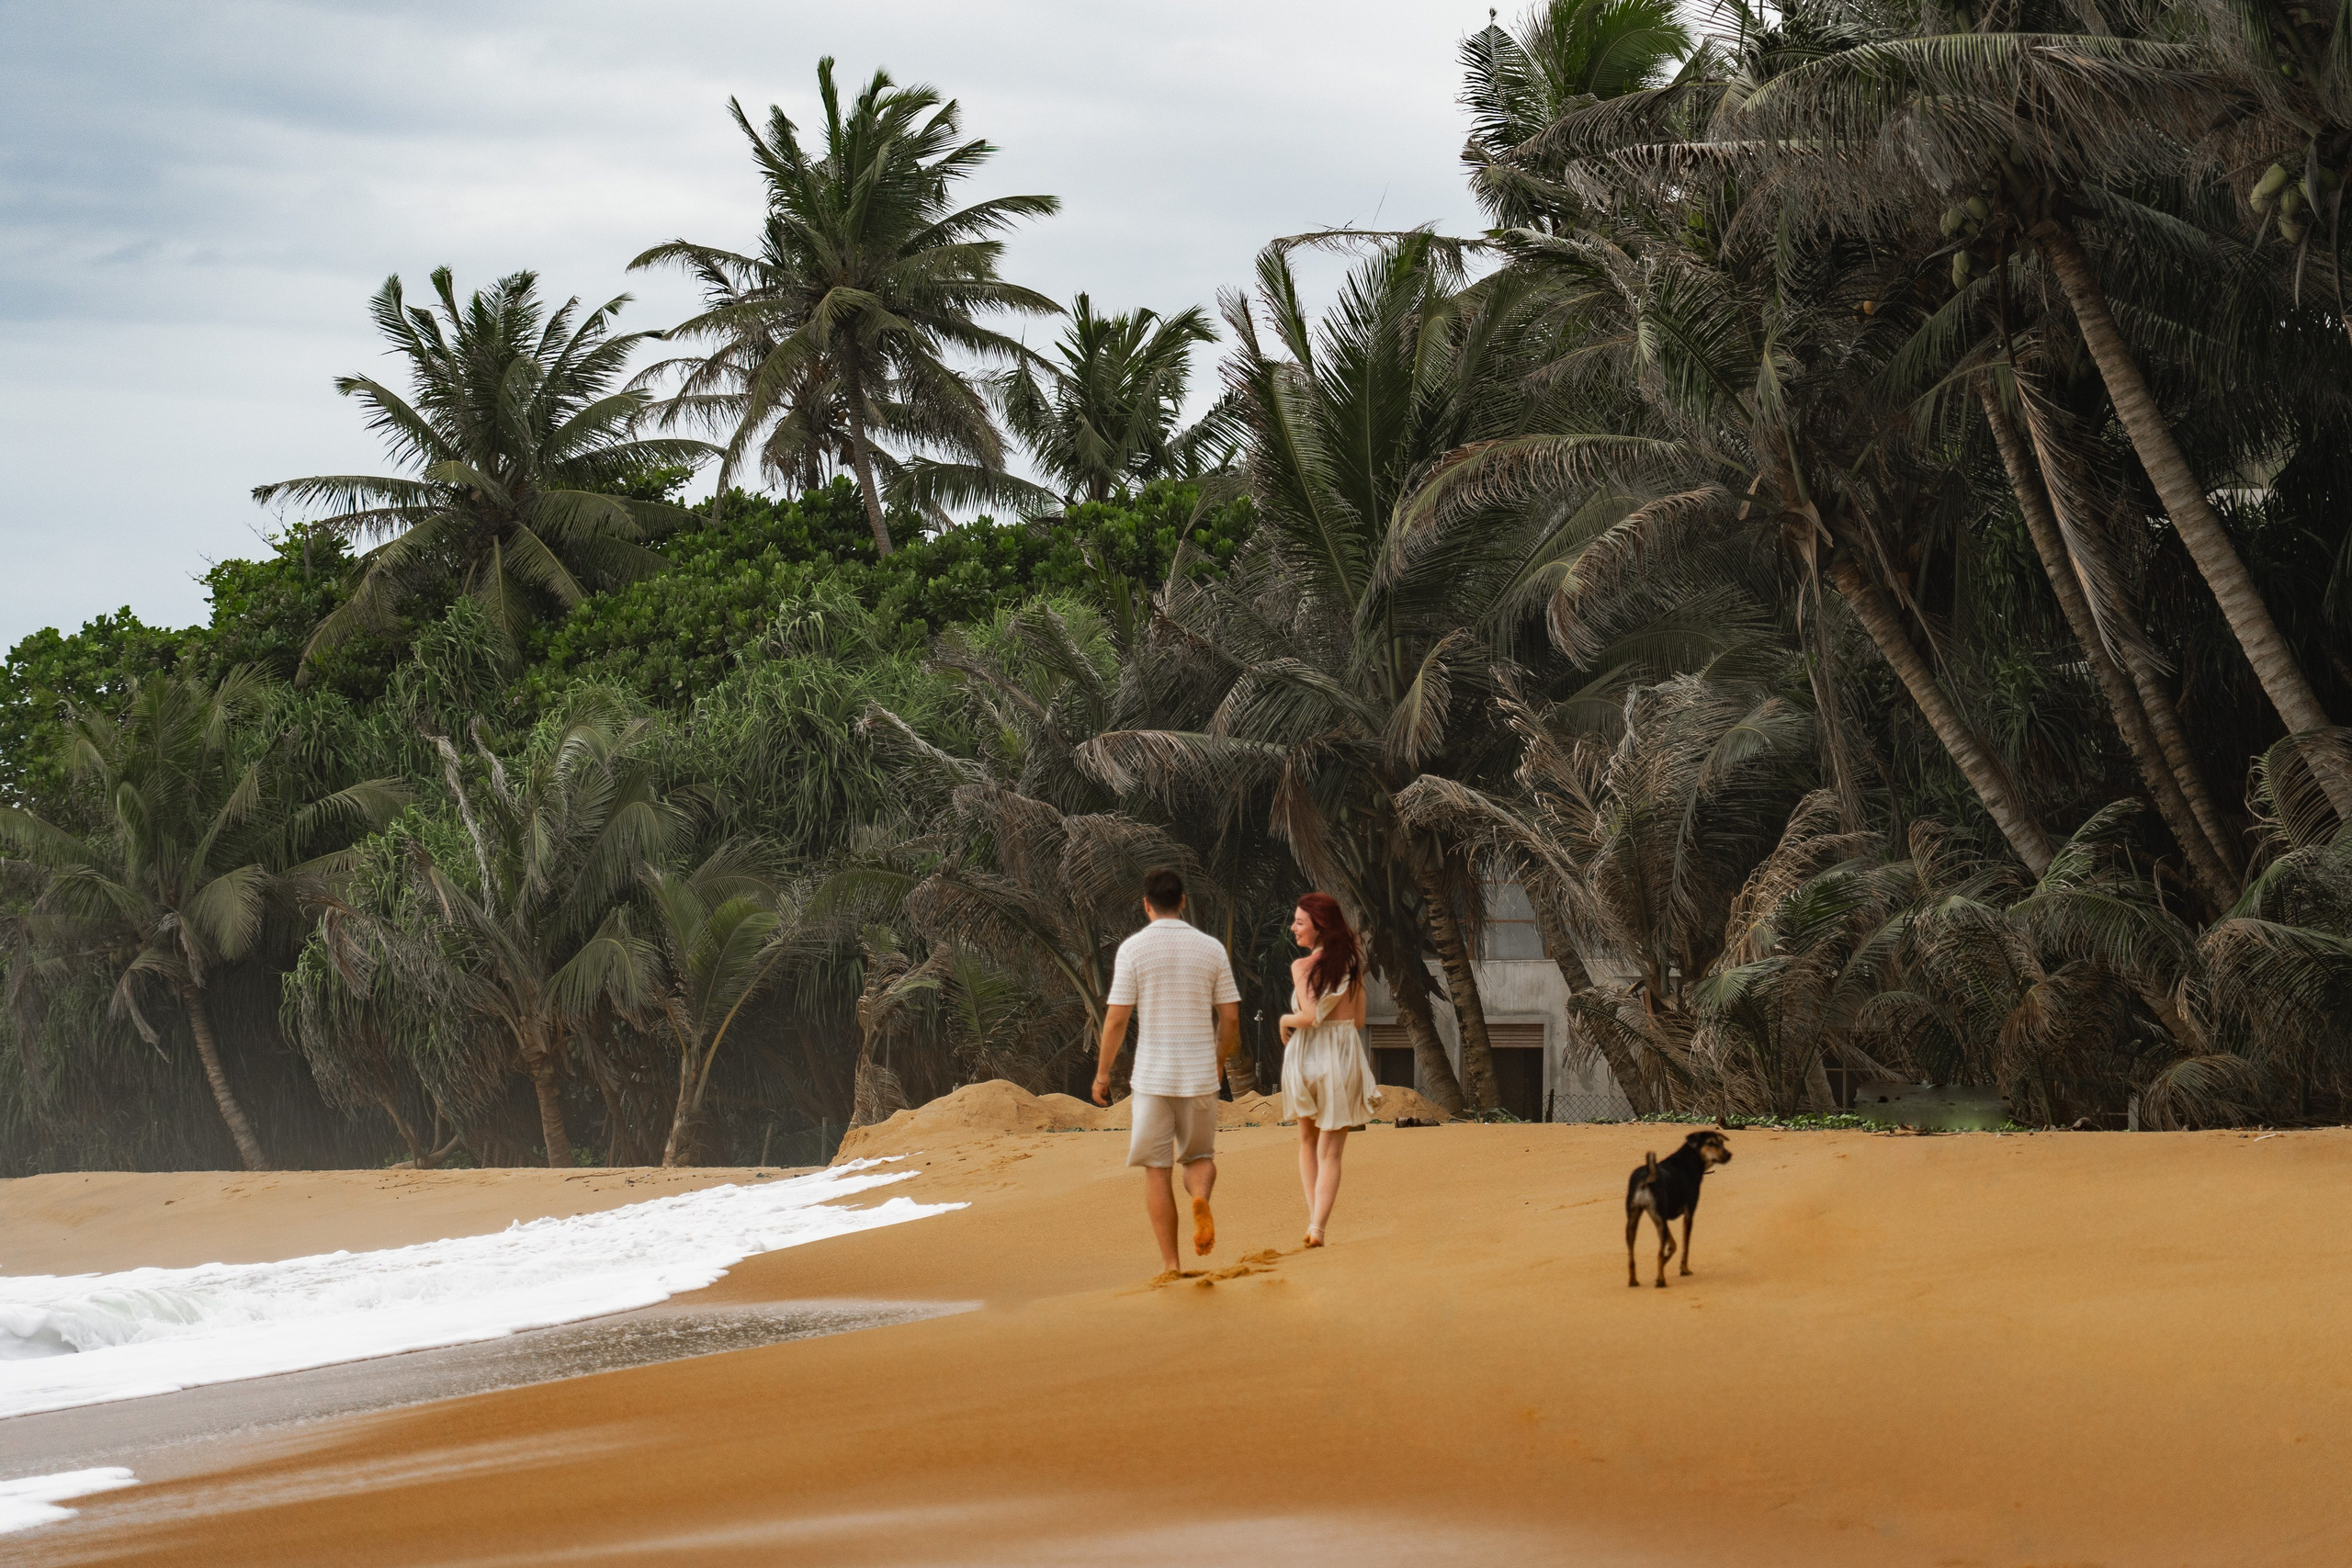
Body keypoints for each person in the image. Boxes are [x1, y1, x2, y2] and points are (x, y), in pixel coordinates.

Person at [1093, 866, 1243, 1277]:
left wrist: (1103, 1075)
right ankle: (1200, 1199)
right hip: (1199, 1074)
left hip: (1151, 1078)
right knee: (1199, 1158)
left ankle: (1172, 1264)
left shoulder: (1133, 950)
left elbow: (1117, 1020)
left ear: (1146, 905)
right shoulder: (1210, 948)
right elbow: (1230, 1016)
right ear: (1182, 901)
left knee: (1156, 1170)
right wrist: (1218, 1058)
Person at [1277, 892, 1378, 1247]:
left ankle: (1312, 1222)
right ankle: (1318, 1227)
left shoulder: (1302, 967)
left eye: (1300, 922)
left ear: (1319, 927)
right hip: (1343, 1056)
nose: (1294, 928)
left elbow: (1309, 1016)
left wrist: (1283, 1020)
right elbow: (1360, 1020)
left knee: (1307, 1141)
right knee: (1332, 1152)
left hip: (1307, 1056)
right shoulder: (1353, 965)